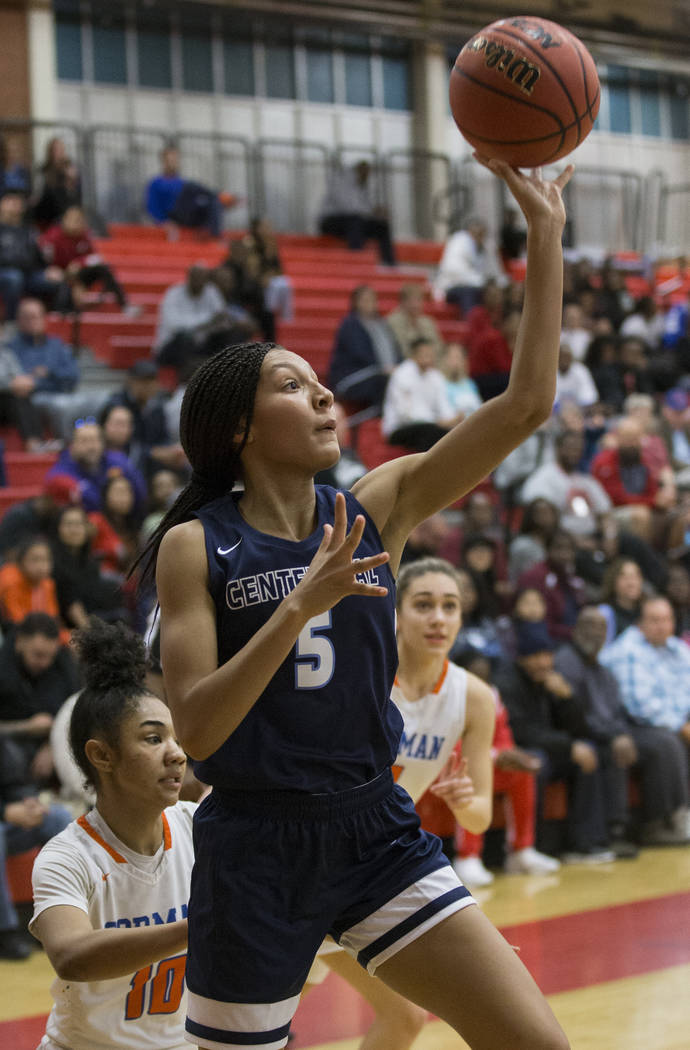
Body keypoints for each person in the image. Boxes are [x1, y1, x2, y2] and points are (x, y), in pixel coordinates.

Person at [143, 157, 573, 1050]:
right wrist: (299, 605)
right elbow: (200, 731)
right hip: (256, 847)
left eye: (318, 379)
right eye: (293, 385)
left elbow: (528, 403)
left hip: (375, 826)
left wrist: (544, 235)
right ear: (239, 429)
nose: (325, 393)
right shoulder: (198, 547)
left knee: (538, 1042)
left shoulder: (376, 508)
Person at [301, 556, 497, 1046]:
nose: (438, 618)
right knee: (255, 1026)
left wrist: (463, 800)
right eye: (424, 605)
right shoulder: (356, 670)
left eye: (450, 606)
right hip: (308, 859)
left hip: (369, 868)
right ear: (397, 613)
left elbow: (481, 816)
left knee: (406, 1017)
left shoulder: (472, 697)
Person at [30, 618, 196, 1050]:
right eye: (153, 739)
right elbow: (71, 956)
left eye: (174, 737)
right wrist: (197, 927)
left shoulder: (200, 827)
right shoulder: (66, 856)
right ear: (102, 755)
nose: (176, 754)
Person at [555, 607, 689, 847]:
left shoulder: (602, 669)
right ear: (575, 630)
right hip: (581, 737)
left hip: (611, 732)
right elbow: (575, 718)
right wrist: (615, 736)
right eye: (589, 626)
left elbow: (618, 712)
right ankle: (622, 829)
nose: (595, 633)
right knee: (641, 746)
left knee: (663, 741)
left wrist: (620, 732)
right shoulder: (567, 662)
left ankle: (669, 818)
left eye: (601, 628)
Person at [494, 622, 617, 863]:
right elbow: (521, 732)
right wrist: (570, 747)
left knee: (589, 755)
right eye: (537, 656)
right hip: (512, 750)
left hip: (545, 747)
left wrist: (567, 698)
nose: (544, 662)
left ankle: (583, 843)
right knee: (536, 762)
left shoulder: (549, 680)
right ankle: (529, 847)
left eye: (548, 655)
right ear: (522, 658)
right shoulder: (507, 682)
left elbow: (579, 729)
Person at [452, 651, 559, 887]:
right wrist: (496, 756)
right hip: (450, 766)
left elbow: (502, 736)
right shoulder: (448, 696)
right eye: (475, 676)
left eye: (486, 677)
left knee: (521, 771)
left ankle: (521, 851)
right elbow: (450, 744)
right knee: (470, 773)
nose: (482, 682)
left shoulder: (492, 694)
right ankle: (467, 856)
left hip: (486, 761)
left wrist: (511, 754)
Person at [0, 734, 71, 960]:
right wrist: (5, 812)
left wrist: (28, 802)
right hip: (3, 819)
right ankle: (6, 931)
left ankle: (59, 919)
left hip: (10, 821)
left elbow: (15, 782)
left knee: (59, 818)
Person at [600, 596, 690, 769]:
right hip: (631, 725)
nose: (662, 626)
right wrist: (681, 726)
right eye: (655, 620)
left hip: (675, 720)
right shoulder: (629, 649)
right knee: (668, 744)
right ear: (640, 623)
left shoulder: (678, 648)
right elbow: (640, 707)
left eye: (666, 620)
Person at [0, 612, 80, 786]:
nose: (45, 663)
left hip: (55, 737)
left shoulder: (60, 660)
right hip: (13, 742)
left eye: (50, 656)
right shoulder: (4, 669)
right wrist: (26, 727)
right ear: (20, 642)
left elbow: (77, 705)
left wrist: (53, 744)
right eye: (38, 655)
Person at [5, 296, 81, 440]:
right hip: (29, 401)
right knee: (62, 406)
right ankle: (67, 448)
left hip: (63, 394)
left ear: (44, 318)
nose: (32, 321)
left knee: (96, 403)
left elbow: (73, 376)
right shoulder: (11, 349)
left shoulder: (57, 345)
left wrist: (46, 375)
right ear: (18, 321)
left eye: (36, 317)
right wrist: (40, 381)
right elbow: (19, 385)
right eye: (27, 317)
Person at [39, 204, 135, 315]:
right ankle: (60, 309)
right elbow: (41, 257)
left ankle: (124, 305)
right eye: (73, 219)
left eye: (79, 220)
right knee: (58, 280)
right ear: (64, 220)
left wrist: (79, 263)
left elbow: (95, 257)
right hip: (57, 273)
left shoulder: (83, 236)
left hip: (77, 273)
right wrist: (50, 269)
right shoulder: (53, 236)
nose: (76, 223)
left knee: (104, 269)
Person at [99, 360, 187, 479]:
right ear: (131, 382)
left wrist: (170, 451)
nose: (149, 386)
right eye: (144, 381)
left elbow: (163, 436)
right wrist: (154, 452)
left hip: (154, 462)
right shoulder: (117, 406)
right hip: (125, 461)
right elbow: (120, 442)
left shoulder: (157, 406)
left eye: (152, 380)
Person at [46, 418, 147, 514]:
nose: (91, 447)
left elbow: (140, 491)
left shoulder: (117, 461)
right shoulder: (64, 467)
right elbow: (53, 480)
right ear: (72, 446)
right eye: (84, 441)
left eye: (95, 440)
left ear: (103, 444)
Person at [327, 284, 401, 412]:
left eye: (373, 300)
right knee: (385, 381)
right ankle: (380, 415)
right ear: (355, 303)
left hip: (381, 372)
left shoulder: (382, 324)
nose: (370, 304)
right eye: (365, 300)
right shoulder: (350, 324)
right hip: (353, 376)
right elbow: (360, 354)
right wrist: (385, 369)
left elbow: (397, 350)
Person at [381, 336, 463, 452]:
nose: (428, 358)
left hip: (430, 425)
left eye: (431, 354)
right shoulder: (401, 375)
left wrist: (453, 419)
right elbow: (405, 415)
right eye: (424, 354)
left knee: (456, 434)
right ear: (413, 355)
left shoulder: (436, 376)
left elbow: (443, 406)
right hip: (398, 428)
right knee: (430, 432)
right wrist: (438, 422)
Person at [319, 160, 397, 266]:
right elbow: (349, 207)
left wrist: (377, 212)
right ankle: (357, 262)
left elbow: (364, 208)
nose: (367, 175)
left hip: (353, 222)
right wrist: (373, 211)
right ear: (359, 169)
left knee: (382, 226)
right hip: (330, 221)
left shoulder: (364, 184)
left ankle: (389, 264)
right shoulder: (342, 180)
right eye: (366, 171)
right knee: (355, 222)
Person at [0, 191, 61, 319]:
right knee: (14, 278)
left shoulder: (30, 230)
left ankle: (54, 319)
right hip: (6, 272)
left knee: (56, 280)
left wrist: (48, 269)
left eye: (18, 201)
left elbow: (39, 257)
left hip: (28, 273)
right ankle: (11, 321)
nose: (15, 204)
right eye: (10, 200)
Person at [433, 216, 507, 316]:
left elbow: (495, 273)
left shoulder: (487, 246)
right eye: (477, 233)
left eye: (482, 234)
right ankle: (470, 325)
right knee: (469, 292)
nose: (480, 237)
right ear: (470, 232)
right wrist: (483, 281)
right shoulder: (458, 242)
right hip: (453, 286)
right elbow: (453, 271)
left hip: (481, 286)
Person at [32, 137, 82, 230]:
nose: (60, 152)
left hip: (65, 207)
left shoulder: (69, 167)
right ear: (50, 152)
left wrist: (72, 179)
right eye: (56, 149)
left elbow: (74, 192)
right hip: (48, 208)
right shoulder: (44, 169)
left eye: (62, 149)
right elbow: (39, 192)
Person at [385, 283, 443, 359]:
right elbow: (402, 350)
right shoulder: (393, 321)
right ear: (402, 302)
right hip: (406, 363)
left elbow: (439, 347)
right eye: (411, 300)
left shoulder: (428, 322)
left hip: (432, 362)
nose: (415, 304)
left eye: (418, 300)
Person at [597, 557, 645, 644]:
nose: (631, 583)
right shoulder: (604, 613)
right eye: (624, 577)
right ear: (613, 582)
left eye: (635, 577)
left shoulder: (647, 611)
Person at [440, 341, 482, 419]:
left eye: (458, 357)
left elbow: (479, 409)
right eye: (451, 358)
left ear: (464, 361)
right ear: (444, 360)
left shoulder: (470, 384)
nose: (455, 362)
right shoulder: (439, 384)